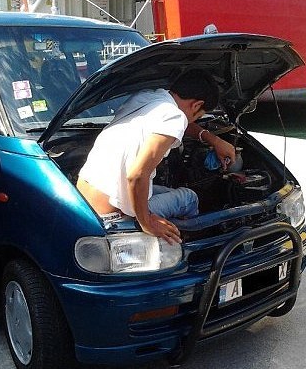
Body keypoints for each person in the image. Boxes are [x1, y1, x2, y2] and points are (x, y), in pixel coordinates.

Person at [76, 68, 236, 244]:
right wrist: (147, 222)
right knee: (189, 198)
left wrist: (214, 140)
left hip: (85, 200)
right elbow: (137, 176)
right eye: (198, 115)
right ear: (197, 105)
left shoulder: (150, 97)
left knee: (170, 192)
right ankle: (190, 244)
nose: (193, 120)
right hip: (113, 215)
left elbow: (182, 120)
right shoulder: (174, 118)